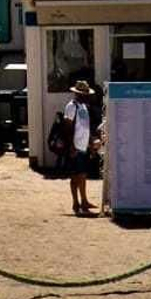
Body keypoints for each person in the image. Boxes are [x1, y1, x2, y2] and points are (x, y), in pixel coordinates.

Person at [63, 80, 95, 215]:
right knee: (76, 175)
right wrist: (71, 145)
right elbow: (68, 127)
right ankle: (77, 202)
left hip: (82, 145)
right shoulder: (71, 107)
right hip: (75, 146)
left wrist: (90, 142)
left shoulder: (83, 107)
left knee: (82, 174)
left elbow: (85, 127)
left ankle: (83, 201)